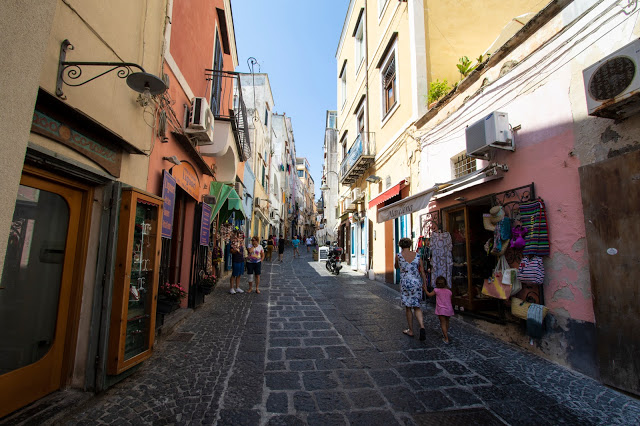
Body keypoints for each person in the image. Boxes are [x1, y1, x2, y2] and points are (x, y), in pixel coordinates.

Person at [394, 237, 427, 341]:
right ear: (410, 245)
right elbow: (422, 271)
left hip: (405, 283)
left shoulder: (398, 256)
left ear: (400, 245)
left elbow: (396, 267)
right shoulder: (417, 255)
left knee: (408, 307)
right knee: (417, 306)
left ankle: (411, 330)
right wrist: (424, 284)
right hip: (416, 282)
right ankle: (422, 327)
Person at [426, 276, 454, 344]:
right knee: (447, 322)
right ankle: (445, 333)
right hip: (449, 309)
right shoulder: (449, 291)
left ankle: (446, 338)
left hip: (441, 309)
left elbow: (429, 295)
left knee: (442, 323)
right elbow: (450, 299)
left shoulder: (436, 290)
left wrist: (425, 289)